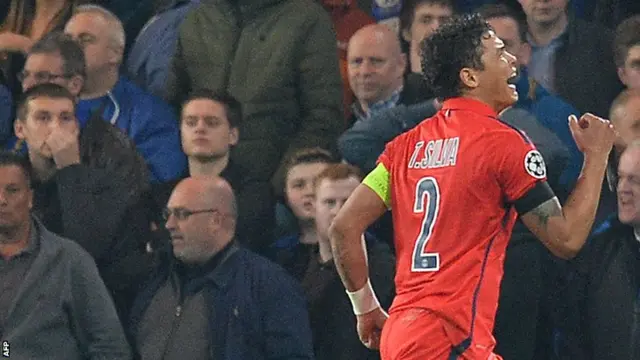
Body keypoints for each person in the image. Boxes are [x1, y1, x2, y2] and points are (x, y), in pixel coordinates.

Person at [328, 13, 616, 360]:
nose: (512, 60)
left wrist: (366, 307)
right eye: (498, 53)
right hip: (450, 337)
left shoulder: (402, 149)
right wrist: (597, 156)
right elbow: (566, 238)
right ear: (469, 76)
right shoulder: (503, 143)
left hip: (404, 334)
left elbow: (344, 227)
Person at [130, 176, 314, 360]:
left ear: (216, 220)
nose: (169, 225)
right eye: (167, 214)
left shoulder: (269, 286)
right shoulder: (156, 275)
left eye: (182, 214)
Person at [0, 151, 131, 360]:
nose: (2, 200)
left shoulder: (71, 261)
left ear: (31, 198)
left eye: (12, 191)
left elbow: (110, 347)